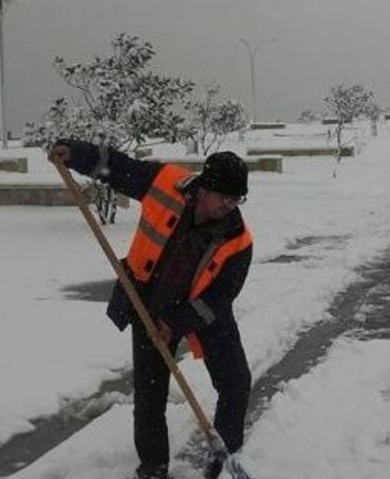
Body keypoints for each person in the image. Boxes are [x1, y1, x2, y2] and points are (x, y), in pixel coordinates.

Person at [47, 140, 253, 479]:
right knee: (150, 396)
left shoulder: (238, 239)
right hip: (149, 303)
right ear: (204, 188)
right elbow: (119, 168)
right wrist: (76, 154)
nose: (230, 206)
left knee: (236, 382)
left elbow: (219, 298)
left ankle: (223, 458)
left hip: (203, 311)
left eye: (237, 199)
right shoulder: (165, 184)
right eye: (224, 197)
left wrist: (178, 323)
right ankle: (153, 468)